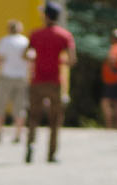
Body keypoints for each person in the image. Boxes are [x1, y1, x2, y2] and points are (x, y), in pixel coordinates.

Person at [24, 1, 75, 164]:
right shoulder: (64, 36)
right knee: (55, 119)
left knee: (33, 117)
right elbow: (72, 59)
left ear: (46, 16)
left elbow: (25, 54)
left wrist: (37, 58)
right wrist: (60, 61)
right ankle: (51, 153)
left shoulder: (35, 34)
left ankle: (31, 145)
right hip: (55, 82)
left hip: (37, 81)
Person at [0, 19, 28, 143]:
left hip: (7, 75)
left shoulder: (4, 41)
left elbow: (0, 59)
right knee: (19, 106)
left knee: (0, 105)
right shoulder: (25, 41)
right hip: (21, 76)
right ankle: (18, 134)